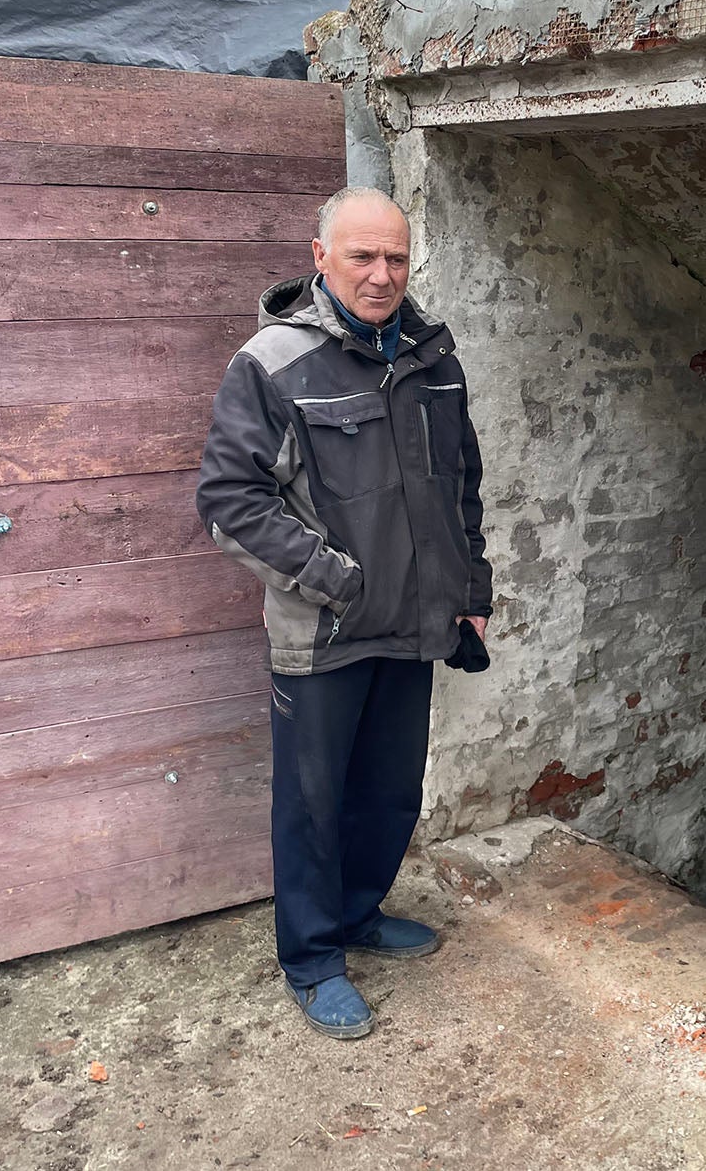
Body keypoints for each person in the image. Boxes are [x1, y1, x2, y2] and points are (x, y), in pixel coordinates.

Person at [196, 187, 492, 1039]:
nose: (382, 274)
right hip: (324, 630)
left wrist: (469, 595)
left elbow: (459, 487)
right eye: (362, 256)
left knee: (388, 792)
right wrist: (339, 578)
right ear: (320, 257)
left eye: (396, 257)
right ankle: (315, 958)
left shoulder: (434, 355)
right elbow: (230, 502)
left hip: (417, 621)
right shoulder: (273, 363)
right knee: (313, 802)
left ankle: (360, 913)